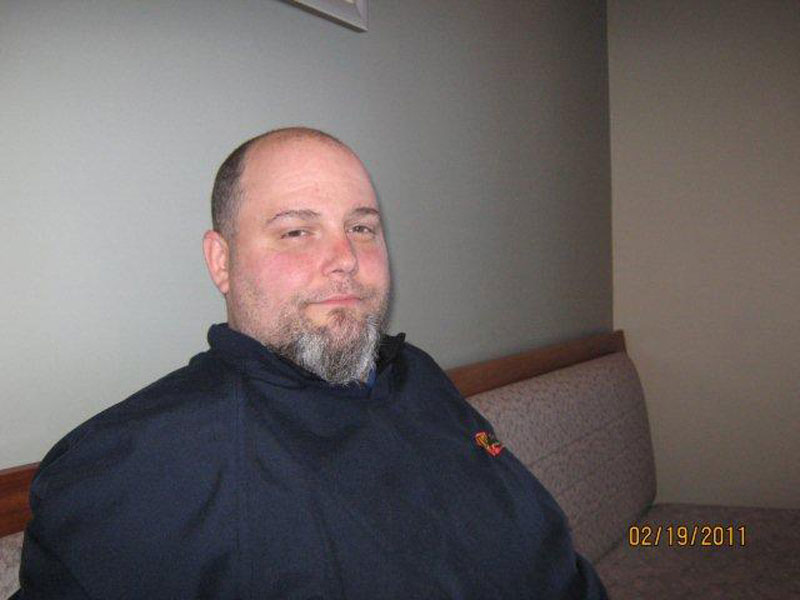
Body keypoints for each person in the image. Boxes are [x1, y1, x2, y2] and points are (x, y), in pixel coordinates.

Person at [14, 127, 608, 599]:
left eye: (362, 227)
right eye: (298, 231)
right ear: (221, 262)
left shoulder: (415, 374)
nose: (345, 257)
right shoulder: (139, 464)